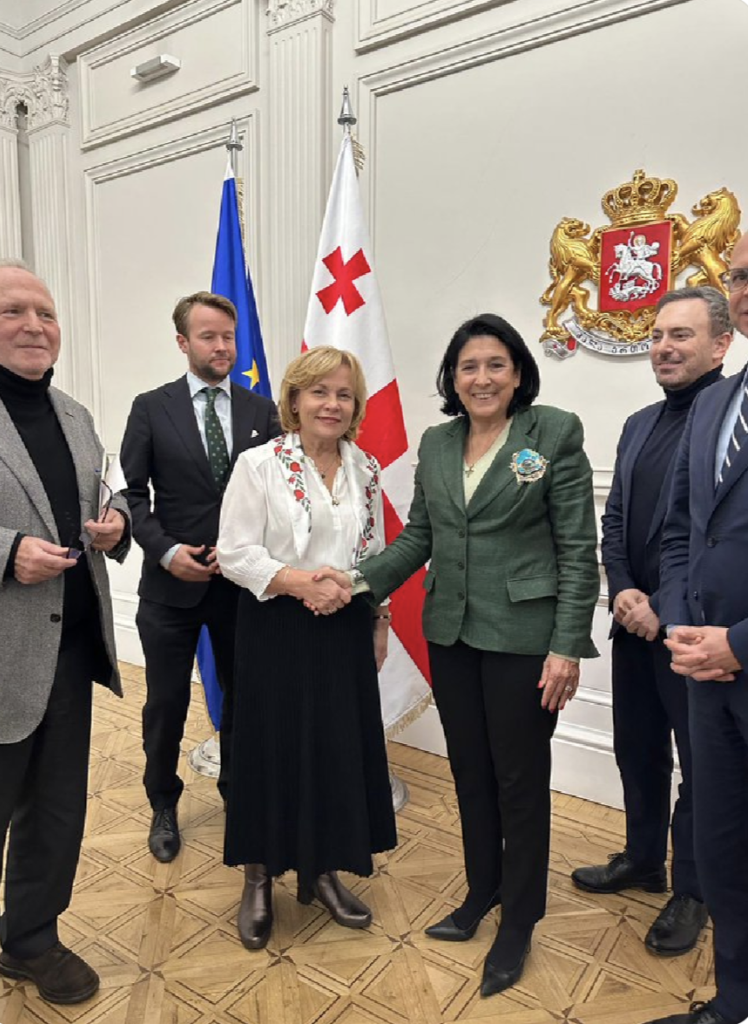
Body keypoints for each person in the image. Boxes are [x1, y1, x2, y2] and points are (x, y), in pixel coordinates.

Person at [316, 313, 599, 996]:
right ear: (452, 378)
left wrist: (566, 646)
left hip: (524, 641)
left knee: (519, 783)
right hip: (452, 634)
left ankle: (519, 918)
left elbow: (577, 549)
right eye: (468, 367)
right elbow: (419, 538)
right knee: (471, 774)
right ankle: (482, 894)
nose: (481, 378)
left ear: (518, 372)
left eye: (495, 365)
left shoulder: (551, 432)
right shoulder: (438, 443)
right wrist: (355, 582)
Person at [216, 346, 396, 951]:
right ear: (294, 400)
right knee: (272, 747)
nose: (331, 404)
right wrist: (299, 583)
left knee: (334, 747)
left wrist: (378, 618)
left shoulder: (366, 468)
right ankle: (260, 875)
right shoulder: (259, 464)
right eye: (319, 392)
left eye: (343, 394)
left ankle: (322, 869)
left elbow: (372, 552)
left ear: (355, 405)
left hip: (345, 624)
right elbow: (235, 553)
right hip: (276, 625)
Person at [572, 288, 732, 956]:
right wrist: (626, 590)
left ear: (721, 344)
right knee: (636, 749)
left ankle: (693, 891)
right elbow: (615, 522)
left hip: (695, 637)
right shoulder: (639, 422)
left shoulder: (731, 421)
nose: (664, 347)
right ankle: (643, 858)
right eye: (657, 335)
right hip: (632, 625)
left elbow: (718, 537)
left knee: (700, 769)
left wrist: (664, 609)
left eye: (682, 336)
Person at [0, 259, 130, 1005]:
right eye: (13, 311)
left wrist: (119, 521)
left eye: (45, 314)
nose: (34, 326)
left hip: (70, 651)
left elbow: (102, 488)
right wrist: (6, 552)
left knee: (55, 807)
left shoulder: (75, 414)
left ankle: (31, 940)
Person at [120, 292, 278, 863]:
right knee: (165, 703)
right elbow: (132, 495)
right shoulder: (150, 408)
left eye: (228, 337)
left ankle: (239, 792)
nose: (222, 347)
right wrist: (164, 553)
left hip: (242, 588)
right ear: (184, 343)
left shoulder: (262, 410)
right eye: (209, 337)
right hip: (169, 589)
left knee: (243, 697)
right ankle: (163, 801)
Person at [647, 237, 748, 1024]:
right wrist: (684, 627)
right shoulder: (717, 403)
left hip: (738, 659)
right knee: (725, 851)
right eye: (742, 274)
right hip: (705, 674)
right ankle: (733, 1003)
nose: (747, 287)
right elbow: (683, 531)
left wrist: (738, 643)